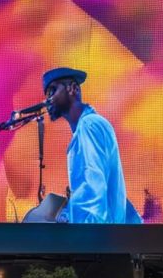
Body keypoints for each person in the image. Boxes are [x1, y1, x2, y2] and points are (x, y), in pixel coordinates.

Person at [42, 67, 142, 224]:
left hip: (97, 240)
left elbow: (92, 193)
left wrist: (83, 237)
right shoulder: (88, 127)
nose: (47, 101)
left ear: (73, 88)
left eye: (52, 91)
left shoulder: (89, 125)